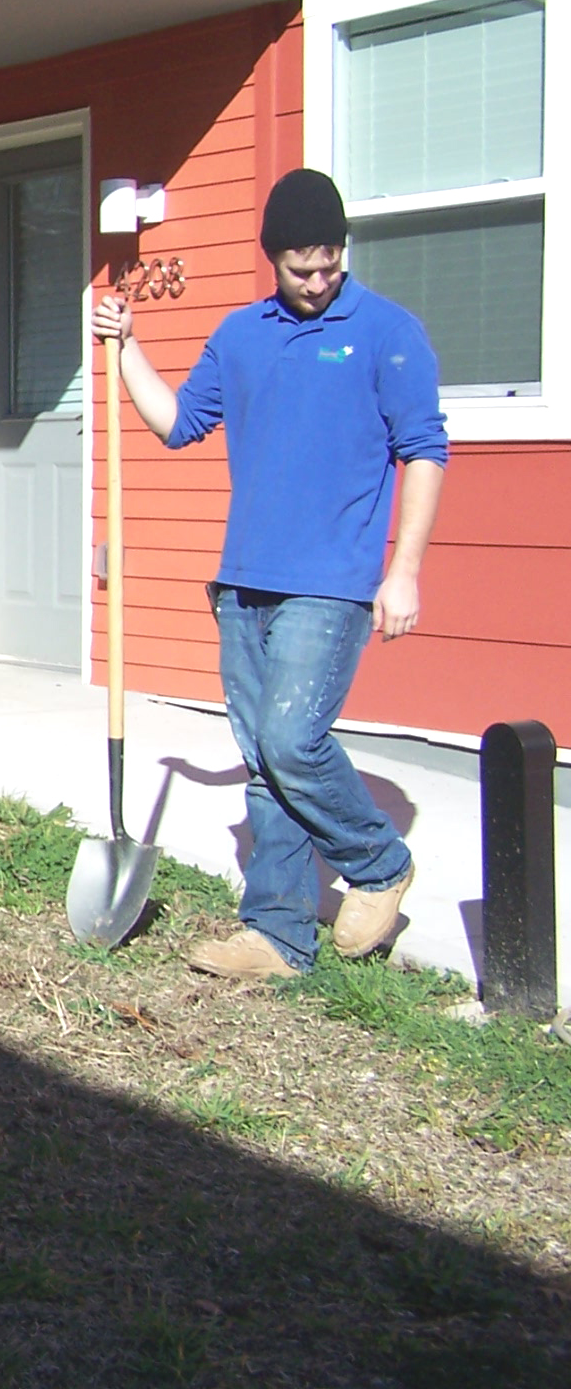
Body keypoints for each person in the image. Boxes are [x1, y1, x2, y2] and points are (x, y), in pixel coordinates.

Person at [95, 168, 447, 978]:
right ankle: (278, 936)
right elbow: (178, 424)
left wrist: (406, 571)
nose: (319, 282)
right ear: (272, 260)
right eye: (301, 268)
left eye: (330, 264)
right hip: (245, 581)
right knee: (263, 759)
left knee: (293, 738)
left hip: (332, 582)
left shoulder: (389, 332)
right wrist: (127, 349)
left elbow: (424, 451)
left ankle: (379, 863)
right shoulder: (242, 335)